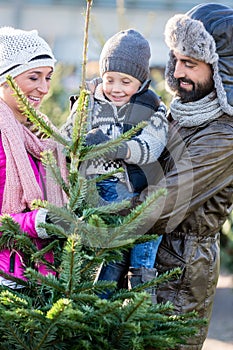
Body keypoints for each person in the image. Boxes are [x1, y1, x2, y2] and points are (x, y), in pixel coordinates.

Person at [133, 3, 233, 349]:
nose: (177, 72)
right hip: (150, 257)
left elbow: (164, 204)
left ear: (221, 69)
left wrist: (94, 219)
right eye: (175, 59)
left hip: (182, 269)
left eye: (190, 64)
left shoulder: (224, 134)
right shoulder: (182, 111)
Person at [61, 29, 168, 299]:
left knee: (147, 236)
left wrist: (115, 146)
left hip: (135, 192)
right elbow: (64, 140)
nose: (116, 88)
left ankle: (143, 296)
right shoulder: (89, 104)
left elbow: (152, 147)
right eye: (110, 79)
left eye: (125, 81)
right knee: (113, 252)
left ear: (142, 81)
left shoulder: (152, 107)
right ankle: (100, 300)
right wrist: (80, 136)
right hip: (97, 193)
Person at [0, 27, 67, 289]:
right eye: (34, 77)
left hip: (40, 275)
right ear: (5, 79)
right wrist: (39, 221)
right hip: (6, 276)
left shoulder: (42, 135)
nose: (44, 88)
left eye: (49, 77)